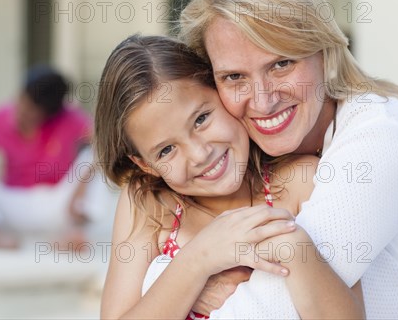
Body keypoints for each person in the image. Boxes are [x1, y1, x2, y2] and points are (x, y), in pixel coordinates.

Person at [178, 0, 398, 318]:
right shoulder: (234, 158)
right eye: (235, 77)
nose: (263, 102)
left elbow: (270, 309)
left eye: (281, 63)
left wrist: (187, 282)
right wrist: (193, 269)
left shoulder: (384, 133)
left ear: (323, 51)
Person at [95, 34, 365, 319]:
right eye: (166, 150)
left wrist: (295, 248)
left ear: (223, 91)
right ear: (145, 164)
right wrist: (198, 260)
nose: (199, 154)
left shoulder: (301, 181)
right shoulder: (149, 204)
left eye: (201, 119)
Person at [0, 66, 97, 248]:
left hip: (56, 207)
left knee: (94, 159)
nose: (21, 112)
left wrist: (82, 186)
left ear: (50, 114)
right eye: (21, 101)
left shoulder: (73, 120)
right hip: (10, 205)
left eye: (31, 111)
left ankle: (74, 235)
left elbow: (106, 148)